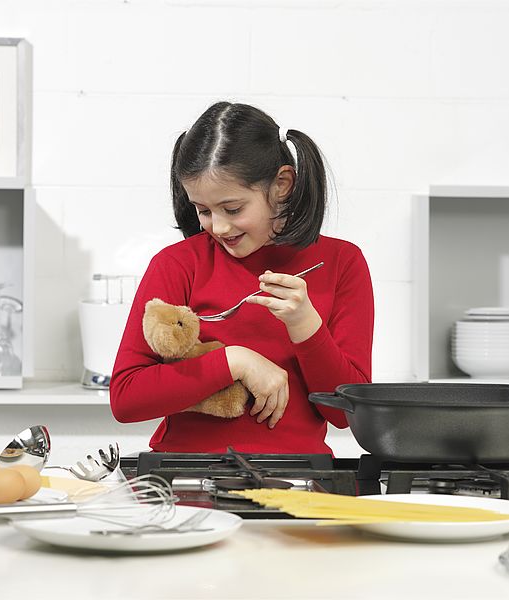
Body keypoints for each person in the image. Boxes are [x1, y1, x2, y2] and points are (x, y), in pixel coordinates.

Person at [110, 101, 374, 455]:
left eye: (233, 209)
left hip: (299, 480)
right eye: (203, 210)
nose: (218, 227)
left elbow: (345, 414)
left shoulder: (342, 263)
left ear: (282, 184)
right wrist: (233, 361)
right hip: (185, 476)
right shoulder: (176, 265)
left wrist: (306, 326)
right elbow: (126, 399)